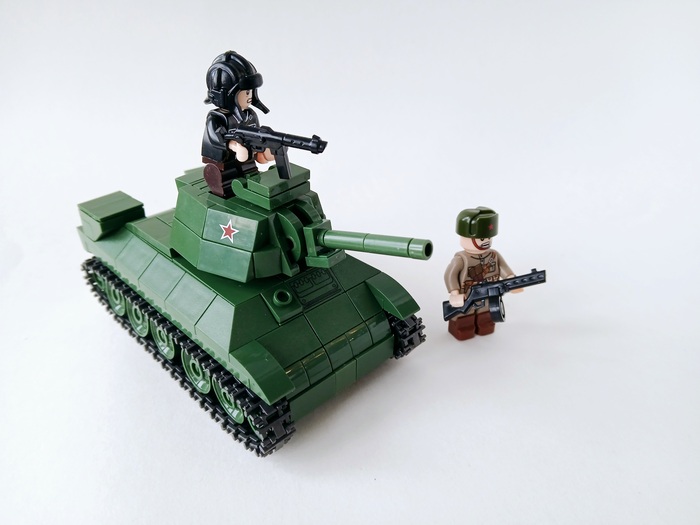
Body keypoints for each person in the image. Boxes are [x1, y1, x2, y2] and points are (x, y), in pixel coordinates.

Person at [443, 207, 522, 340]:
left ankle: (484, 324)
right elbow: (450, 275)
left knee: (486, 311)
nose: (486, 241)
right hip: (467, 294)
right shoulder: (461, 259)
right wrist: (454, 293)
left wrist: (511, 280)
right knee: (465, 314)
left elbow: (503, 267)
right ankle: (463, 327)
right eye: (482, 238)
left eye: (488, 237)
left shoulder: (493, 255)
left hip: (489, 292)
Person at [201, 51, 273, 197]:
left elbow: (256, 134)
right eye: (245, 92)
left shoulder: (250, 115)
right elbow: (216, 137)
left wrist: (262, 149)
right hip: (222, 161)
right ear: (227, 95)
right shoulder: (216, 118)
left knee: (251, 175)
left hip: (245, 159)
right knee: (225, 183)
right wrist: (235, 146)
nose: (249, 96)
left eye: (251, 92)